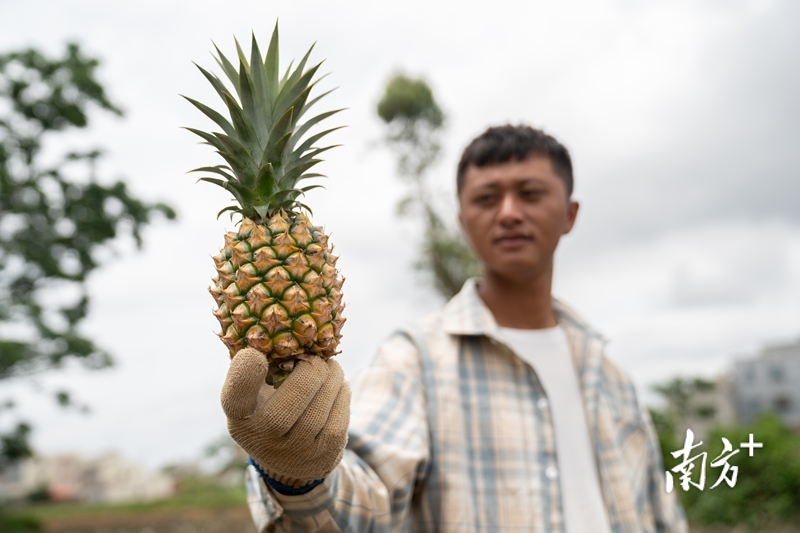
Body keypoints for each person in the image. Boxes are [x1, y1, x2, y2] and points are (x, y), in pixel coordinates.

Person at [221, 124, 688, 533]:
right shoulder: (414, 359)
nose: (509, 212)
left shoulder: (610, 375)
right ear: (463, 221)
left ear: (570, 214)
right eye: (487, 198)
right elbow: (366, 504)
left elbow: (661, 515)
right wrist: (300, 478)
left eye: (530, 193)